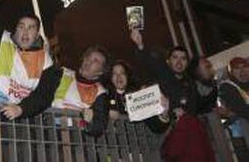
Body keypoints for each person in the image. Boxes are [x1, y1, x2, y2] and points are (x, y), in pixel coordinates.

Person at [130, 29, 215, 162]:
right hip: (164, 135)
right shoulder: (163, 74)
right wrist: (140, 45)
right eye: (175, 57)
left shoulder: (191, 85)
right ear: (168, 61)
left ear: (187, 63)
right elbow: (149, 61)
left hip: (188, 137)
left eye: (183, 58)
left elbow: (196, 106)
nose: (179, 62)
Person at [52, 46, 109, 137]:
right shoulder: (63, 74)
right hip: (48, 132)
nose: (89, 61)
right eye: (88, 57)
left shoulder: (100, 93)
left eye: (96, 61)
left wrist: (84, 123)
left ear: (101, 71)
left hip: (76, 140)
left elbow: (99, 127)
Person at [219, 57, 249, 162]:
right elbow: (242, 110)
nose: (242, 71)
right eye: (237, 68)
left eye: (245, 66)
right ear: (231, 73)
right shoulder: (227, 86)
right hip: (242, 138)